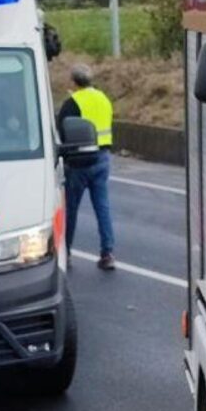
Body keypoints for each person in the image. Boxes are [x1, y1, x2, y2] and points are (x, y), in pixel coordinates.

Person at [58, 63, 116, 271]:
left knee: (71, 209)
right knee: (102, 206)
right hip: (102, 157)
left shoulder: (72, 102)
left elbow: (61, 131)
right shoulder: (103, 99)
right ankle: (107, 253)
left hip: (79, 160)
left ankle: (66, 252)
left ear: (73, 82)